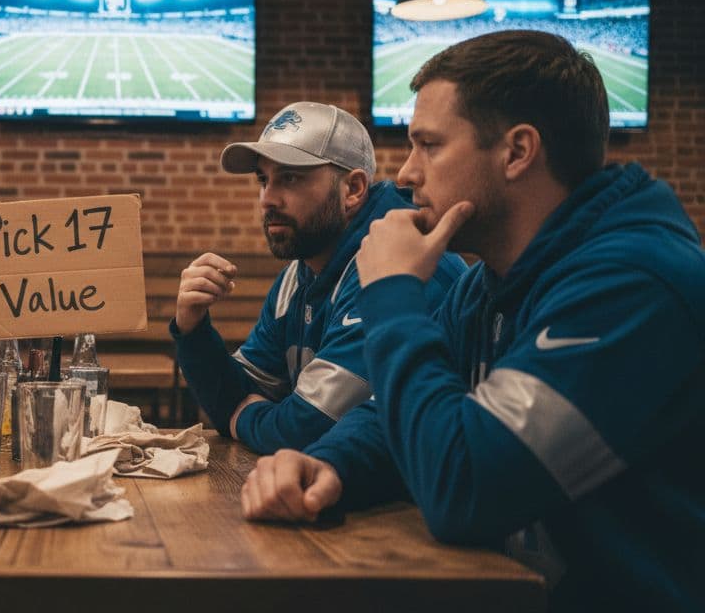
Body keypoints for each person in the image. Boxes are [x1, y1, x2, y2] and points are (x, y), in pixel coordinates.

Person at [239, 31, 705, 611]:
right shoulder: (496, 280)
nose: (406, 175)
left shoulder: (634, 282)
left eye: (428, 145)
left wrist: (392, 293)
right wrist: (333, 463)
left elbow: (467, 488)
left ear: (517, 152)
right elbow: (399, 412)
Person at [172, 101, 465, 453]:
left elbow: (306, 428)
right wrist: (193, 330)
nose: (267, 199)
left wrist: (240, 418)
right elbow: (238, 394)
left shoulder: (398, 263)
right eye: (264, 180)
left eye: (290, 178)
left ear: (353, 189)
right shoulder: (298, 275)